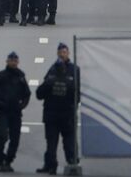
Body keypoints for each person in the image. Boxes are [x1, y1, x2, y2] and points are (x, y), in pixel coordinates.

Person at [36, 44, 80, 175]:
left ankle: (72, 164)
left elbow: (78, 92)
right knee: (51, 142)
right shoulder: (52, 72)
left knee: (69, 142)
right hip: (53, 114)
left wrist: (74, 106)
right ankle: (50, 165)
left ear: (68, 53)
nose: (62, 54)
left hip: (66, 114)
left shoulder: (74, 70)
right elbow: (40, 93)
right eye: (60, 52)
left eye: (64, 52)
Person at [0, 51, 31, 173]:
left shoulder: (20, 76)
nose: (13, 62)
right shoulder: (0, 76)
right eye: (11, 60)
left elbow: (27, 93)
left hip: (15, 112)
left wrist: (22, 105)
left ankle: (8, 161)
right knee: (2, 136)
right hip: (3, 112)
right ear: (7, 61)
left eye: (15, 60)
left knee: (15, 139)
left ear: (17, 62)